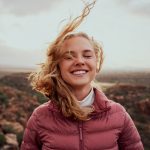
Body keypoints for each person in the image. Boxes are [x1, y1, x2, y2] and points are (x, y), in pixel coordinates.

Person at [21, 0, 144, 149]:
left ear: (96, 63)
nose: (79, 61)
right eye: (69, 56)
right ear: (57, 66)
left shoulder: (118, 114)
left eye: (87, 55)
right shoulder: (40, 117)